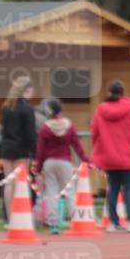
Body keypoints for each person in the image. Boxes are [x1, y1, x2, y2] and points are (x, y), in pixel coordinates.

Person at [90, 80, 130, 233]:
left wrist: (98, 151)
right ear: (122, 93)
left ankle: (113, 223)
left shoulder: (100, 110)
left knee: (113, 189)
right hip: (128, 155)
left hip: (109, 155)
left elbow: (94, 131)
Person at [33, 98, 89, 231]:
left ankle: (53, 222)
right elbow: (77, 146)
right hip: (65, 162)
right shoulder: (69, 126)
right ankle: (74, 219)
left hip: (49, 163)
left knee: (51, 192)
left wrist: (38, 168)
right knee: (69, 191)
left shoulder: (46, 128)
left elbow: (40, 150)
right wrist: (86, 160)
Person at [0, 74, 37, 220]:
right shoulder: (27, 109)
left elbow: (4, 130)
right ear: (27, 90)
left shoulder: (7, 107)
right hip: (21, 149)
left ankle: (9, 216)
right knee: (21, 183)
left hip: (7, 148)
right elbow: (30, 134)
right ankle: (21, 216)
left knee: (9, 183)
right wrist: (35, 152)